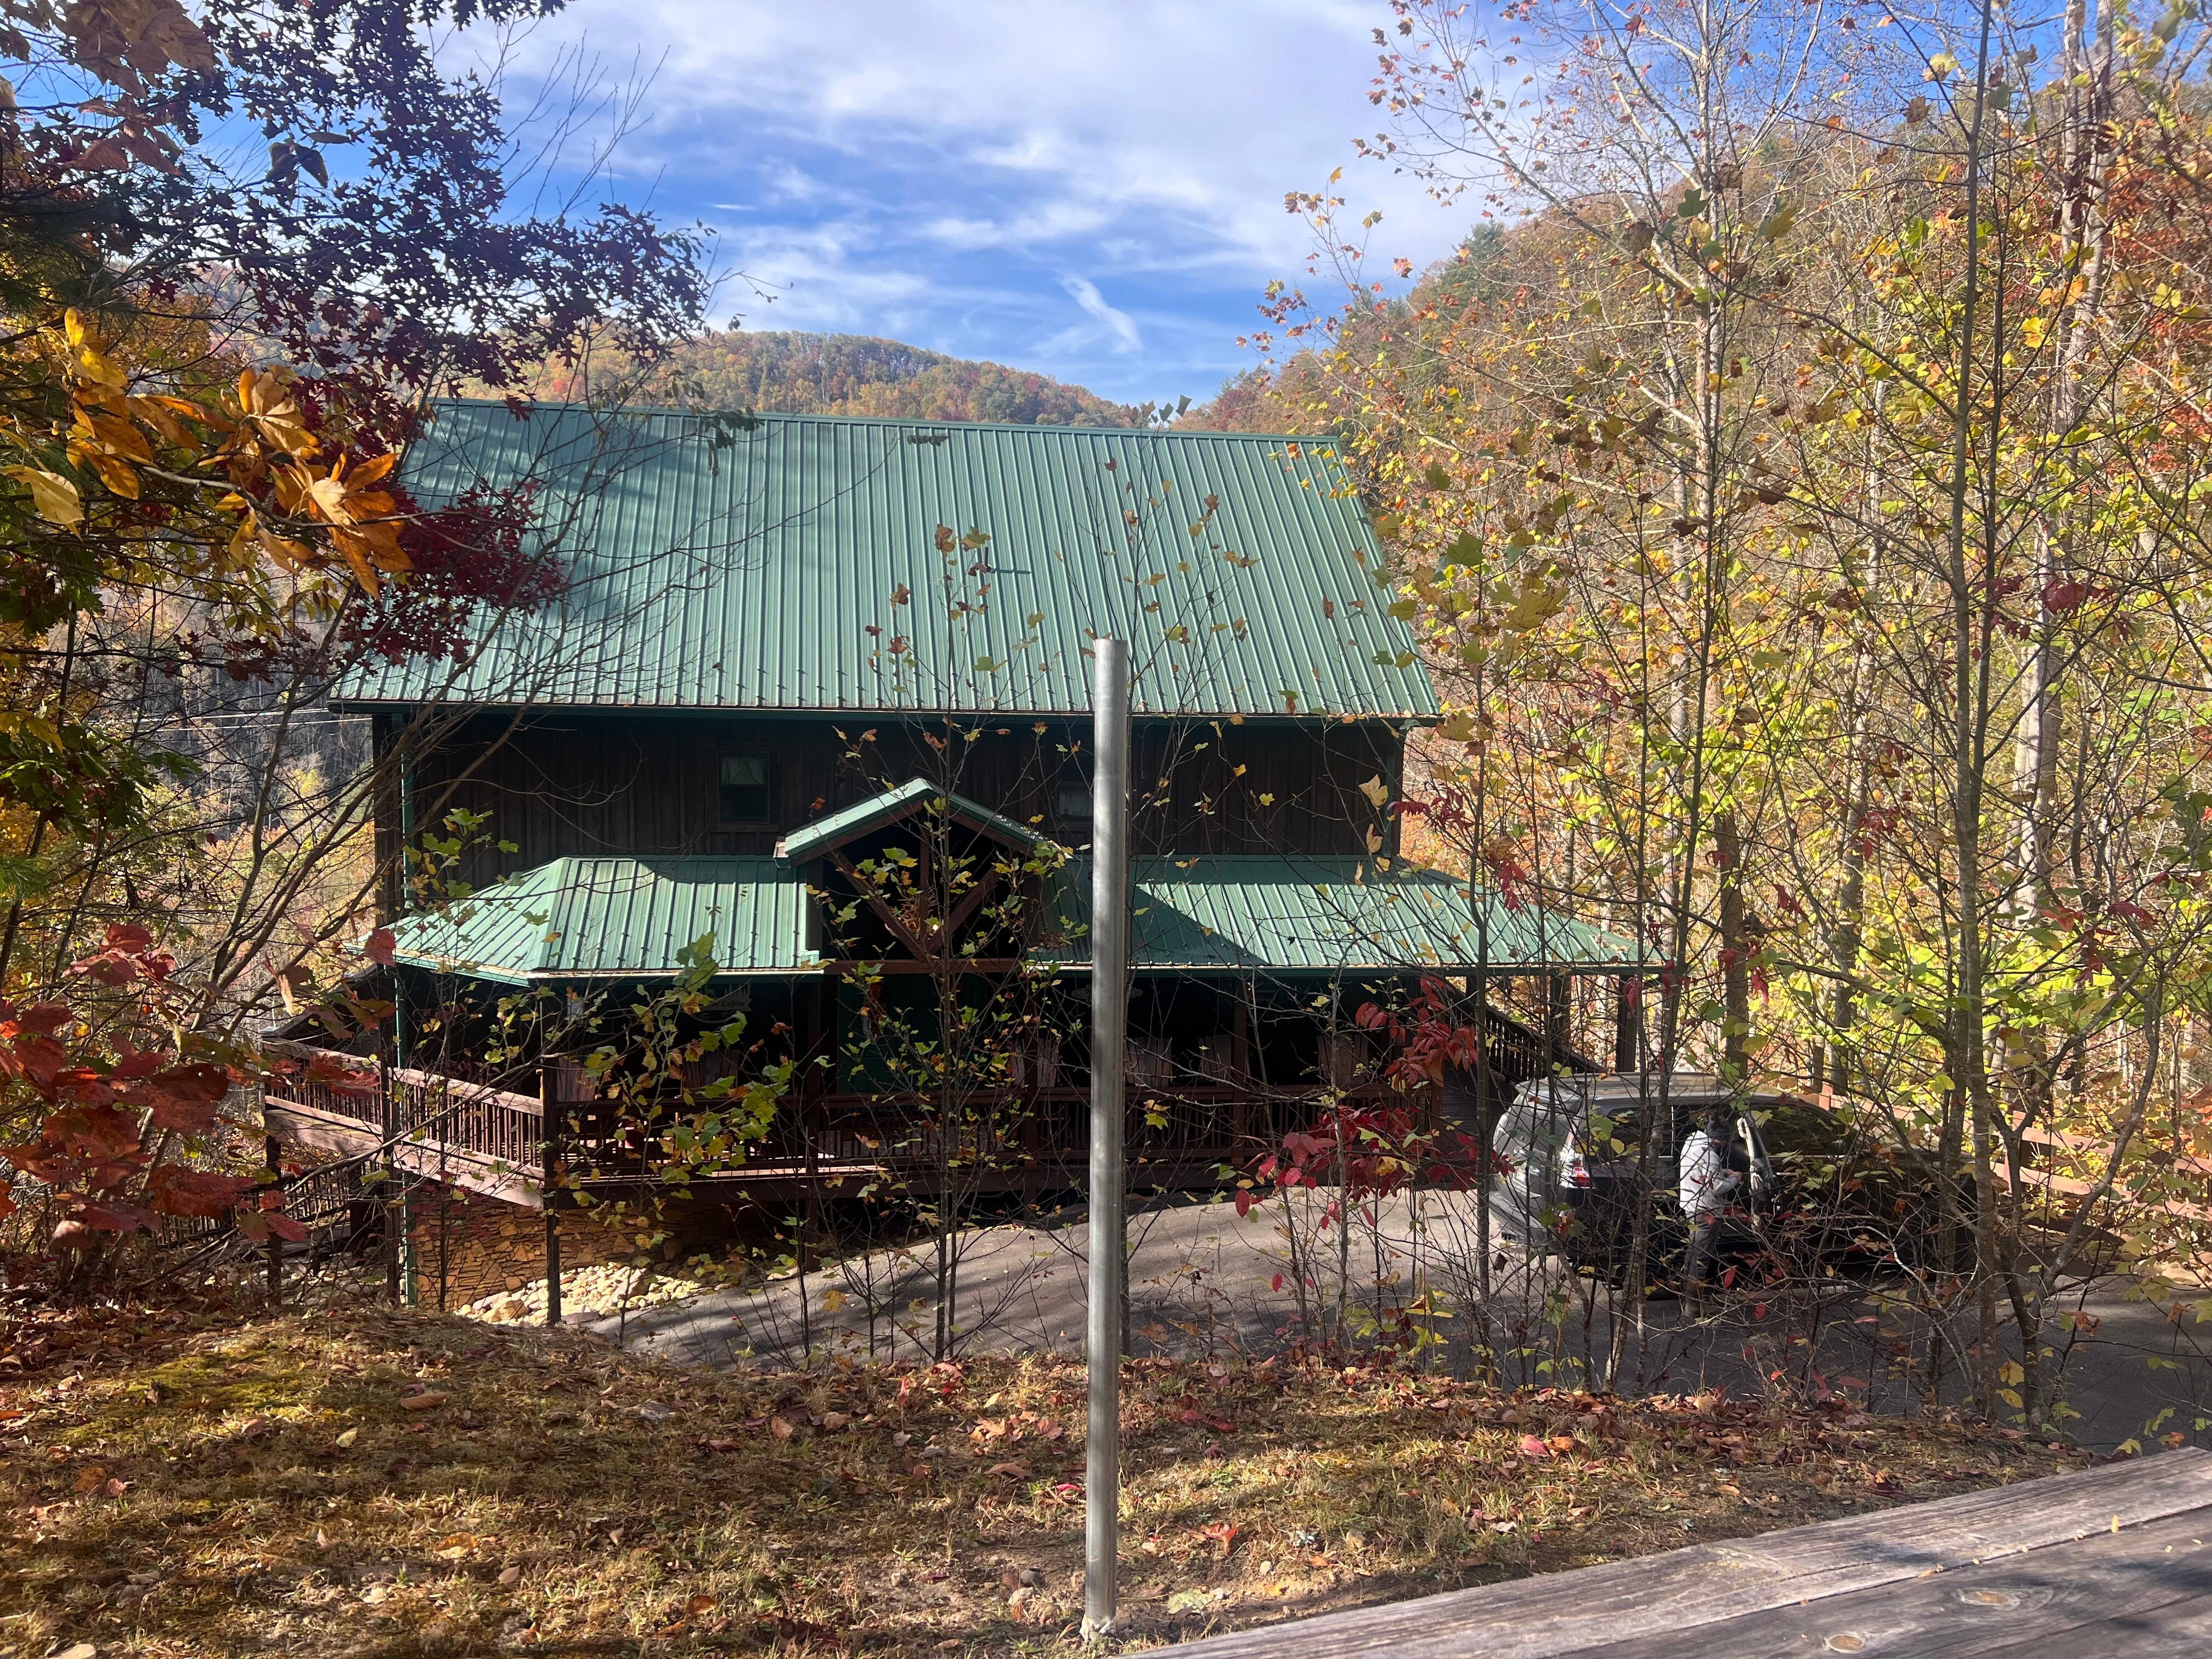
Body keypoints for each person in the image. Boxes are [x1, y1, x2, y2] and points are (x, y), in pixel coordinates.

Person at [1678, 1108, 1742, 1299]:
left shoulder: (1692, 1144)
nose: (1723, 1145)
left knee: (1693, 1251)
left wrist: (1722, 1172)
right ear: (1719, 1139)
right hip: (1706, 1210)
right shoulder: (1710, 1155)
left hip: (1691, 1206)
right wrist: (1735, 1179)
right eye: (1724, 1141)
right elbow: (1717, 1188)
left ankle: (1685, 1294)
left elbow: (1700, 1173)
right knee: (1702, 1257)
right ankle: (1693, 1303)